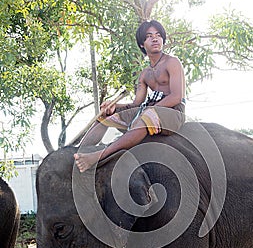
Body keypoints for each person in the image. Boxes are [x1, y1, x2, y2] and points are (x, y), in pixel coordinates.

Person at [74, 20, 186, 172]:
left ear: (163, 40)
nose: (155, 39)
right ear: (142, 44)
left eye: (158, 35)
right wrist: (114, 106)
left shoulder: (172, 62)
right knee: (106, 117)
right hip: (149, 109)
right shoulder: (145, 74)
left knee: (147, 115)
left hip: (172, 112)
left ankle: (99, 156)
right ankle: (78, 154)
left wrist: (150, 110)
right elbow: (136, 104)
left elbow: (177, 96)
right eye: (149, 36)